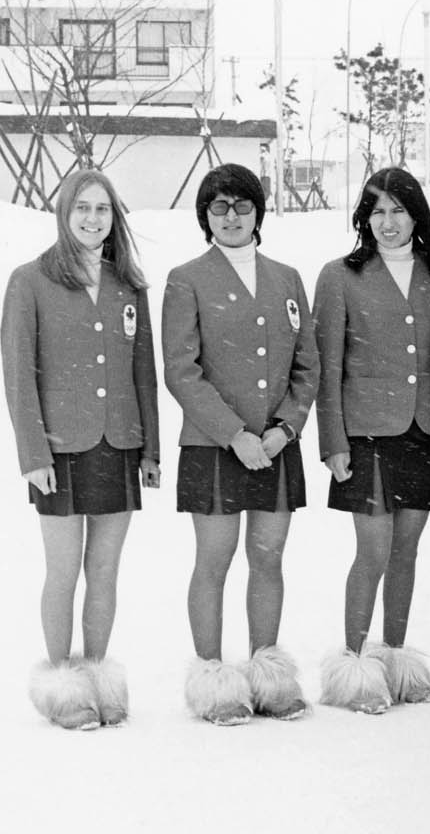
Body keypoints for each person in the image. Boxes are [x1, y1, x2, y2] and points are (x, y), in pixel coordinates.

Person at [162, 163, 319, 726]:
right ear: (205, 215)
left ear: (258, 212)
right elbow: (181, 370)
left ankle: (268, 675)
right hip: (213, 444)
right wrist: (234, 434)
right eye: (219, 207)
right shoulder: (187, 278)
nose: (232, 217)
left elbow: (308, 366)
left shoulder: (287, 277)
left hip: (277, 444)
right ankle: (213, 682)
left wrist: (284, 429)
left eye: (242, 206)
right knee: (215, 559)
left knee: (268, 557)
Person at [2, 170, 159, 730]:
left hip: (118, 443)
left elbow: (144, 371)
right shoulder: (30, 280)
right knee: (63, 571)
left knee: (105, 571)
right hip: (59, 450)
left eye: (103, 210)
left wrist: (150, 450)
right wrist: (33, 454)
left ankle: (97, 677)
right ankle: (62, 686)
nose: (93, 219)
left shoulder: (128, 284)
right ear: (64, 213)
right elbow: (18, 375)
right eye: (82, 209)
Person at [312, 168, 430, 714]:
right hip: (366, 430)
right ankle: (353, 669)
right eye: (377, 212)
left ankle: (394, 661)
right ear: (363, 219)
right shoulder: (340, 275)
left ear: (417, 215)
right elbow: (326, 367)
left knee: (406, 551)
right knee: (372, 550)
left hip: (425, 429)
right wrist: (333, 441)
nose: (388, 223)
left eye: (399, 211)